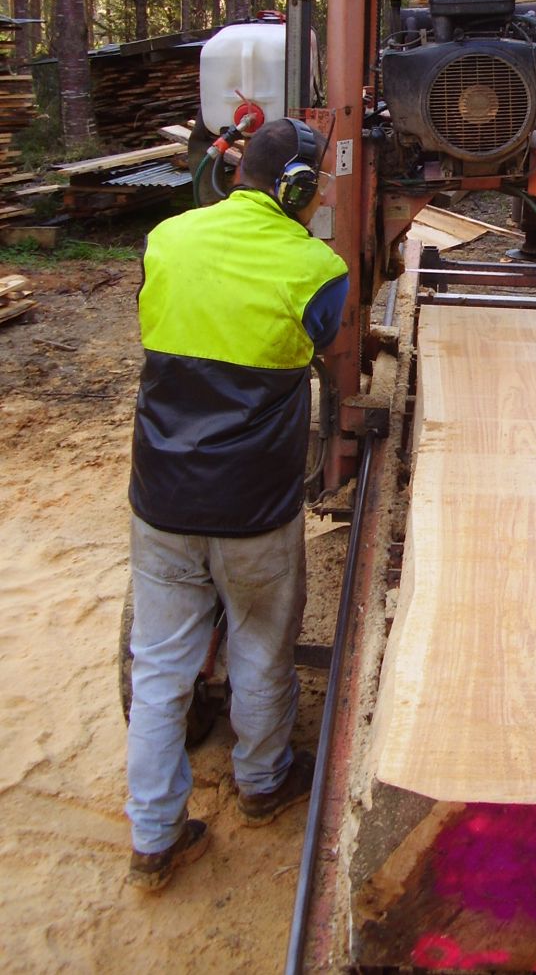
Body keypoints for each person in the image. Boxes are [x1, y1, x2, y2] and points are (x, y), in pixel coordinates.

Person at [124, 117, 349, 891]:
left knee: (158, 668)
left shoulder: (168, 237)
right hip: (254, 505)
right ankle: (262, 784)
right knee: (260, 645)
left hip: (161, 498)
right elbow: (323, 340)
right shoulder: (318, 267)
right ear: (296, 189)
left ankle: (154, 837)